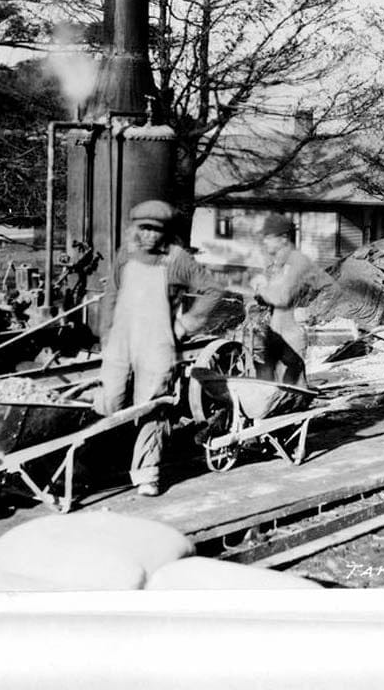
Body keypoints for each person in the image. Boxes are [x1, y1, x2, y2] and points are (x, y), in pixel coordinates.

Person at [98, 200, 223, 496]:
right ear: (135, 229)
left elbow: (214, 290)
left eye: (157, 230)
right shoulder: (125, 253)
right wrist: (106, 334)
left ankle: (146, 474)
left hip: (157, 342)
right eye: (144, 229)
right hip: (121, 339)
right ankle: (104, 465)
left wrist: (185, 325)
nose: (151, 235)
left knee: (151, 405)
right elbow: (112, 293)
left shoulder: (177, 258)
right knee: (109, 403)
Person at [250, 213, 314, 387]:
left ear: (284, 238)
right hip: (273, 334)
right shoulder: (275, 265)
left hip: (291, 338)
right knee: (266, 390)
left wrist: (262, 289)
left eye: (268, 237)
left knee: (294, 392)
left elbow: (283, 298)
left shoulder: (298, 262)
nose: (264, 242)